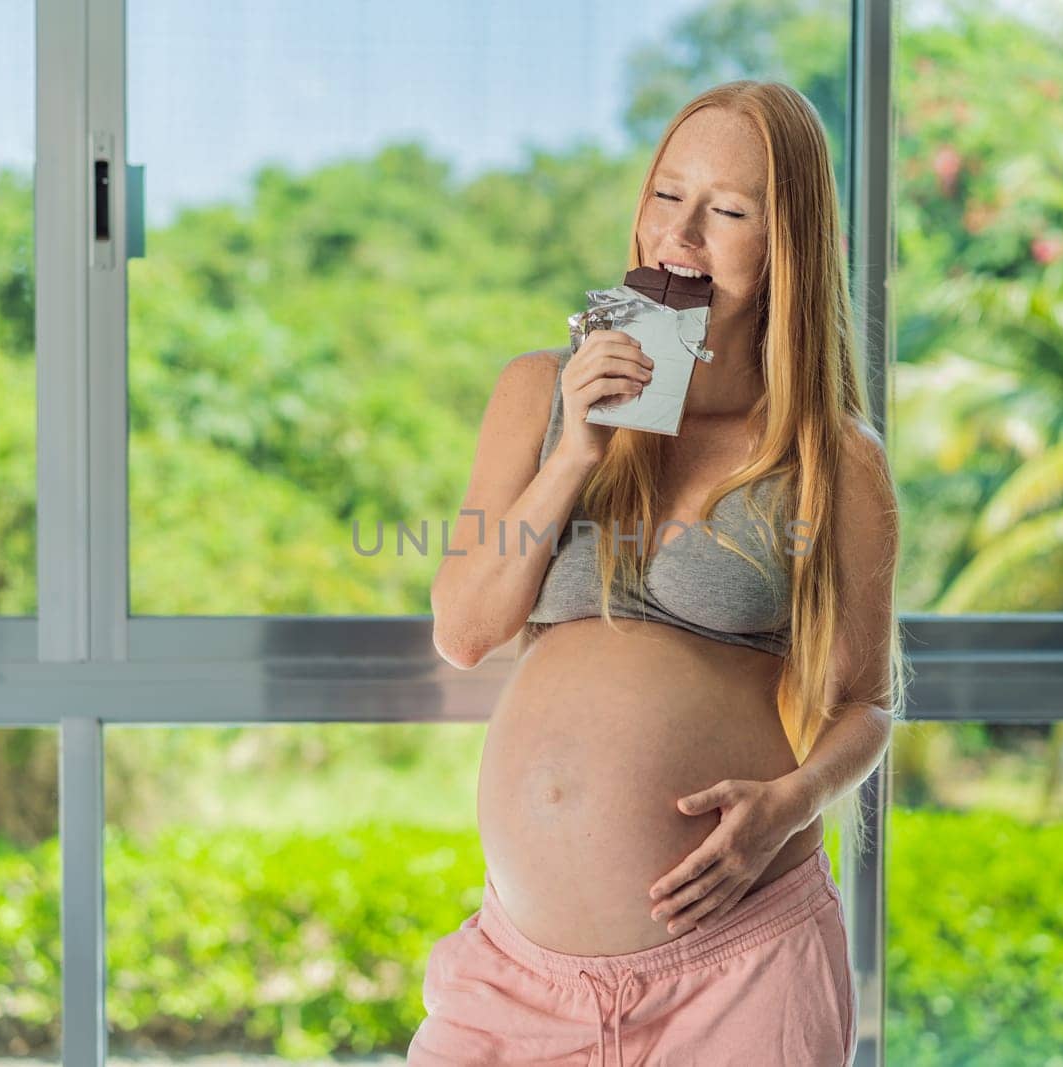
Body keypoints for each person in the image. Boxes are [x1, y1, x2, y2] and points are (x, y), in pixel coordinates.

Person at [411, 79, 907, 1067]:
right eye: (665, 195)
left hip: (741, 969)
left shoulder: (832, 457)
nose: (678, 234)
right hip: (515, 980)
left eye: (726, 211)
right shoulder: (535, 392)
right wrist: (574, 454)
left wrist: (789, 803)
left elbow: (867, 704)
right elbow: (464, 630)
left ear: (784, 252)